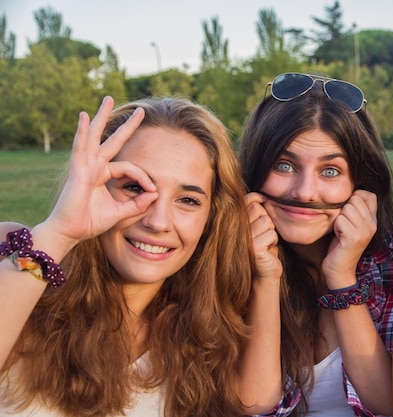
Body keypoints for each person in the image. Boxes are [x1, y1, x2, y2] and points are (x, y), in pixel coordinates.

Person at [0, 96, 255, 416]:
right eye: (134, 187)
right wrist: (61, 231)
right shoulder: (15, 254)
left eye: (188, 200)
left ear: (211, 218)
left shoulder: (211, 334)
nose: (158, 222)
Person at [236, 72, 393, 416]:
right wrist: (265, 277)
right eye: (284, 165)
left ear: (361, 182)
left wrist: (342, 276)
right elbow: (253, 404)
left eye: (330, 171)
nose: (305, 192)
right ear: (255, 169)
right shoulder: (221, 250)